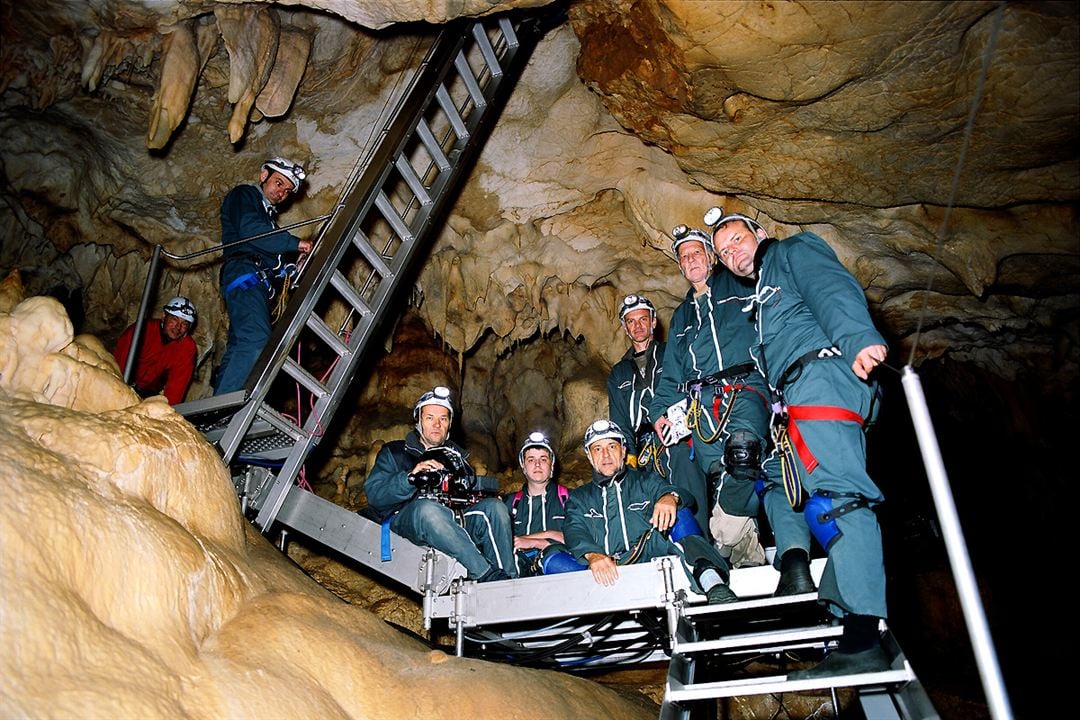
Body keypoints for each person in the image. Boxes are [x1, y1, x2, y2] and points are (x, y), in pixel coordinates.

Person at [710, 206, 890, 677]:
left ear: (760, 233)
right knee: (804, 495)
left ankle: (863, 638)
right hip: (799, 394)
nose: (732, 253)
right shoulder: (763, 300)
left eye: (737, 240)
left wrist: (858, 339)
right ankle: (840, 612)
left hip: (823, 377)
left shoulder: (791, 251)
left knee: (842, 502)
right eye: (723, 252)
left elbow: (830, 287)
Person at [647, 225, 782, 575]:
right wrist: (657, 411)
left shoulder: (737, 284)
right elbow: (671, 374)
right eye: (684, 256)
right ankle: (745, 557)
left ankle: (730, 535)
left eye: (696, 252)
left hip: (745, 385)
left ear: (711, 256)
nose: (690, 260)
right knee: (725, 478)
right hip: (701, 405)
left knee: (744, 452)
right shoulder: (681, 317)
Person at [563, 419, 738, 604]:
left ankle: (714, 584)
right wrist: (592, 554)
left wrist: (670, 497)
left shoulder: (645, 481)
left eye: (612, 446)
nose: (605, 455)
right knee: (555, 556)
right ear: (589, 456)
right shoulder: (579, 497)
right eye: (597, 449)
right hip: (606, 566)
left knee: (678, 514)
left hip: (647, 553)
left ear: (623, 451)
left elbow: (682, 495)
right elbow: (574, 529)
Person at [364, 386, 515, 582]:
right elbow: (375, 495)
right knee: (428, 510)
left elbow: (469, 501)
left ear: (450, 424)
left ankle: (510, 582)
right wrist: (410, 477)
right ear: (418, 421)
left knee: (494, 508)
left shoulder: (459, 460)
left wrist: (483, 496)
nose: (437, 424)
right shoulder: (395, 452)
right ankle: (487, 575)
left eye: (443, 418)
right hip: (407, 519)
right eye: (430, 418)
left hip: (452, 521)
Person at [607, 293, 710, 536]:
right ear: (624, 327)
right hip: (643, 451)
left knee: (688, 491)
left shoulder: (673, 353)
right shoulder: (619, 373)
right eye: (631, 321)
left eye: (643, 319)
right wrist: (628, 460)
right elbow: (620, 421)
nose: (638, 326)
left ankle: (703, 550)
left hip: (678, 439)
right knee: (648, 505)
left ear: (653, 322)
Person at [214, 157, 314, 395]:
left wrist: (288, 267)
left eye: (287, 191)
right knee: (257, 340)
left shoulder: (267, 218)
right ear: (263, 176)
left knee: (239, 344)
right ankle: (222, 409)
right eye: (279, 183)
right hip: (244, 273)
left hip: (255, 279)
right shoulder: (245, 196)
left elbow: (267, 250)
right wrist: (297, 244)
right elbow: (251, 231)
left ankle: (218, 401)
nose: (282, 193)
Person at [505, 431, 571, 577]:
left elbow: (578, 539)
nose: (537, 464)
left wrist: (533, 542)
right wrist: (551, 535)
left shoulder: (568, 499)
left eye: (543, 459)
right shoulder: (510, 504)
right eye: (530, 460)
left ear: (551, 465)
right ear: (523, 466)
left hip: (558, 569)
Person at [112, 296, 198, 405]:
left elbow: (176, 388)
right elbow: (117, 364)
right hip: (122, 384)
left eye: (184, 324)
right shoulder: (142, 330)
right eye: (174, 319)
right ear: (163, 316)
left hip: (148, 395)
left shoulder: (186, 348)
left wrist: (167, 411)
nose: (178, 327)